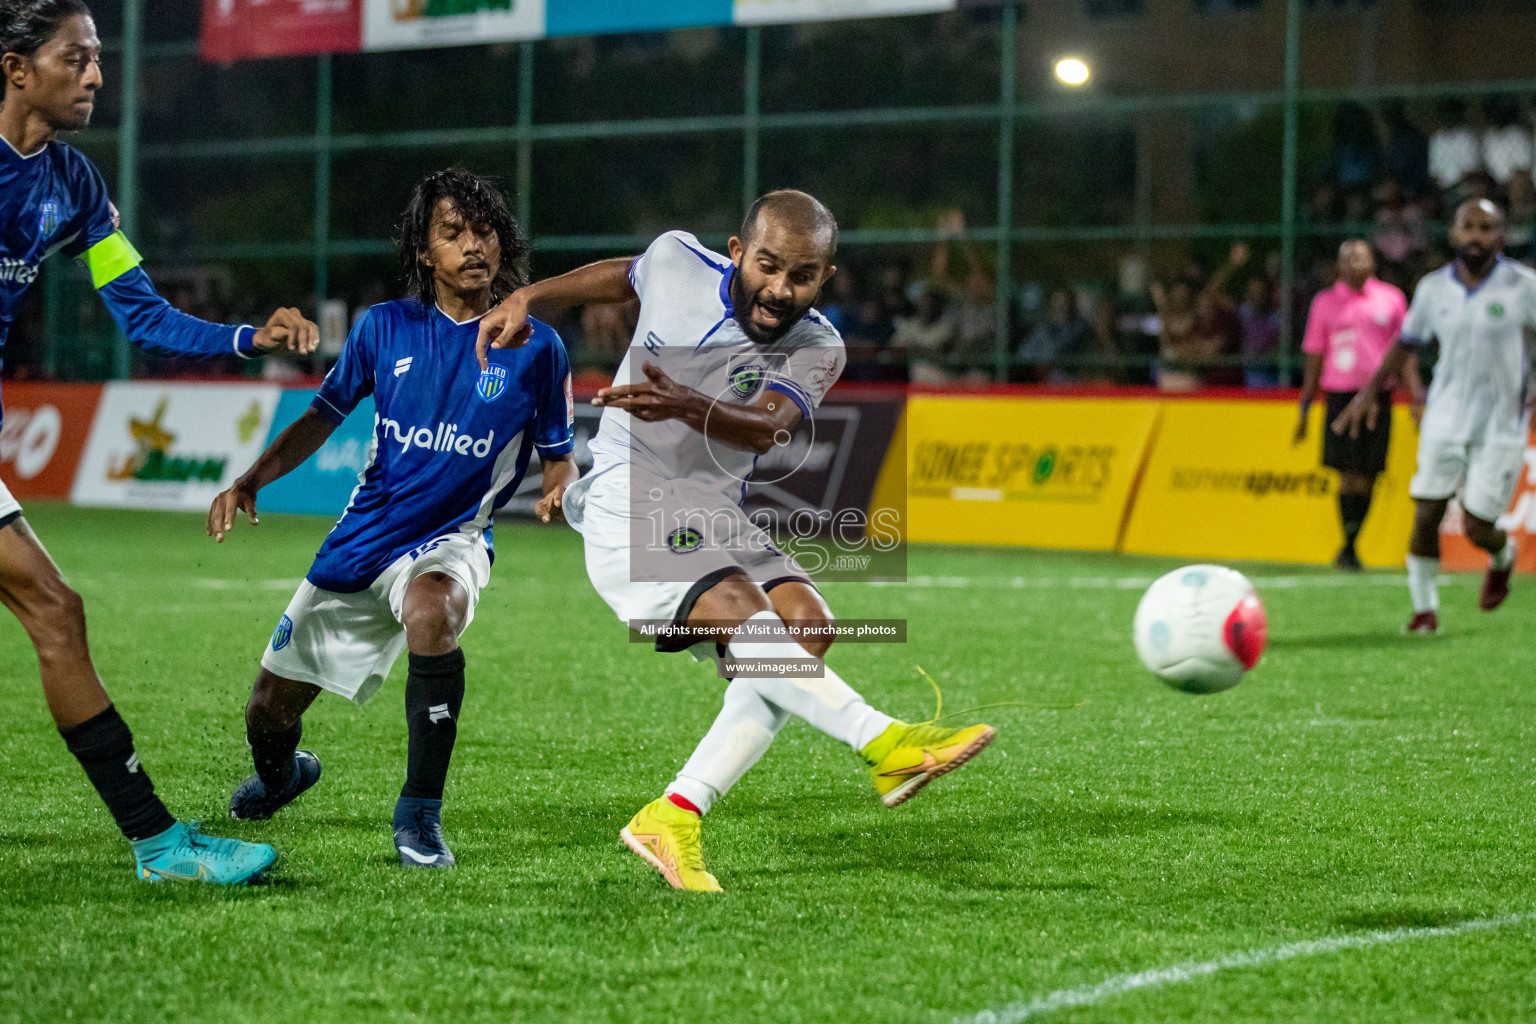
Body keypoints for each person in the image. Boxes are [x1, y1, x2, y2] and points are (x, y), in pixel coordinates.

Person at [475, 190, 995, 892]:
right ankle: (882, 740)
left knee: (806, 629)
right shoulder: (674, 258)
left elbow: (764, 427)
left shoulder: (820, 345)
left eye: (802, 276)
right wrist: (529, 297)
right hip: (629, 496)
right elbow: (627, 273)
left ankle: (676, 813)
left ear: (825, 279)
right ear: (736, 251)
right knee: (743, 610)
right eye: (769, 265)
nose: (781, 289)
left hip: (716, 511)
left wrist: (686, 401)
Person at [0, 0, 318, 884]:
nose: (97, 75)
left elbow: (142, 314)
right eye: (77, 57)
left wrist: (244, 339)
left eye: (99, 57)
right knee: (55, 613)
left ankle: (157, 843)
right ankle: (156, 843)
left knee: (53, 615)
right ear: (17, 68)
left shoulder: (74, 190)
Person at [207, 170, 577, 868]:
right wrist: (252, 479)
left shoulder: (538, 347)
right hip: (365, 537)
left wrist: (562, 480)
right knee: (267, 714)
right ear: (423, 253)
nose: (474, 245)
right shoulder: (385, 327)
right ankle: (284, 777)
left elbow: (557, 452)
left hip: (454, 538)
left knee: (432, 611)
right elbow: (323, 416)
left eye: (485, 230)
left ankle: (419, 817)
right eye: (453, 233)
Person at [1333, 200, 1534, 633]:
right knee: (1427, 511)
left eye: (1487, 227)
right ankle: (1425, 610)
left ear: (1500, 235)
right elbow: (1407, 343)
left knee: (1479, 526)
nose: (1477, 236)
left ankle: (1502, 555)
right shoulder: (1432, 289)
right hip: (1445, 415)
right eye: (1469, 227)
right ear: (1454, 234)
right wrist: (1370, 393)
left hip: (1502, 423)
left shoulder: (1524, 286)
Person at [1296, 241, 1420, 572]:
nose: (1356, 262)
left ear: (1373, 262)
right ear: (1339, 265)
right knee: (1346, 475)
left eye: (1362, 256)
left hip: (1378, 396)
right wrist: (1305, 405)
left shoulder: (1391, 299)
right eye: (1349, 258)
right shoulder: (1324, 302)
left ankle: (1351, 545)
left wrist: (1415, 393)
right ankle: (1349, 546)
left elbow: (1404, 349)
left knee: (1369, 474)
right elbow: (1314, 354)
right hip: (1340, 395)